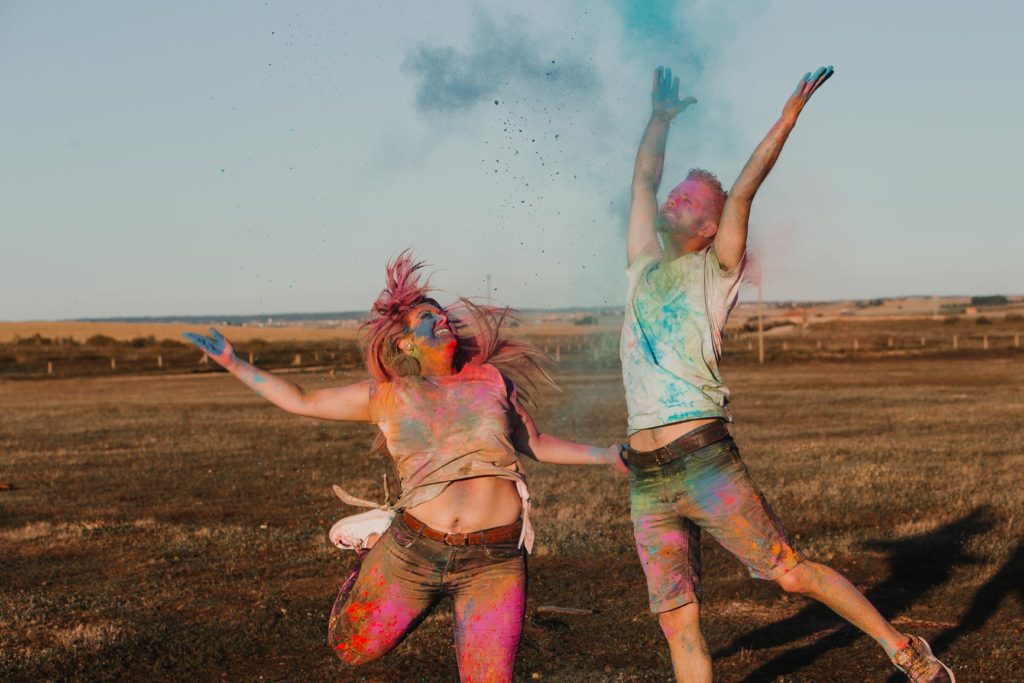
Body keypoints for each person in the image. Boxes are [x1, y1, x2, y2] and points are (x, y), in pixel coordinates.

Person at [619, 65, 955, 682]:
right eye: (678, 193)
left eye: (688, 200)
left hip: (702, 459)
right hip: (646, 475)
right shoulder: (642, 266)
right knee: (677, 618)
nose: (673, 199)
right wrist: (660, 119)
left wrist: (787, 119)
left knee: (788, 573)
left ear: (709, 229)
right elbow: (642, 181)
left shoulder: (714, 270)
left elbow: (744, 191)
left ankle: (904, 651)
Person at [185, 252, 624, 682]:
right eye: (427, 318)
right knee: (353, 648)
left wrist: (604, 454)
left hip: (495, 560)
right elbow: (303, 400)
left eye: (443, 314)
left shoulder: (491, 380)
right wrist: (233, 362)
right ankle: (372, 545)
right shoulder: (389, 395)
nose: (443, 319)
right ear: (405, 342)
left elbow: (537, 443)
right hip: (415, 550)